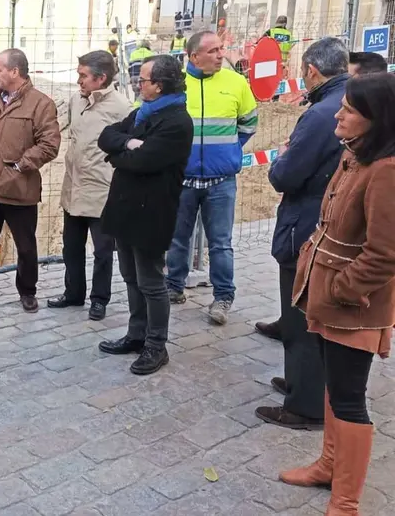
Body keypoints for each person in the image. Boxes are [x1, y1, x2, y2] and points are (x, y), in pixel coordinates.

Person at [277, 72, 395, 516]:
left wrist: (344, 289)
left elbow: (385, 253)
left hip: (354, 305)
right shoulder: (357, 157)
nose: (339, 114)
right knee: (333, 387)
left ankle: (346, 501)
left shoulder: (386, 171)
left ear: (376, 118)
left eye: (350, 109)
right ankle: (328, 465)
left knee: (349, 397)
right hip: (327, 296)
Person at [254, 38, 349, 431]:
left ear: (311, 71)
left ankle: (304, 405)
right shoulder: (353, 100)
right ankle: (304, 387)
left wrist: (279, 158)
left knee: (301, 319)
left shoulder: (321, 113)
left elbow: (286, 176)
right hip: (333, 226)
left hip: (307, 228)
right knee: (316, 317)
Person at [96, 55, 194, 375]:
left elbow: (144, 161)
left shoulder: (177, 121)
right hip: (126, 210)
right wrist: (128, 144)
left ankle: (156, 344)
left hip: (152, 213)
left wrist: (119, 155)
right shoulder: (142, 113)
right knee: (130, 276)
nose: (139, 84)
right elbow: (106, 136)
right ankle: (136, 334)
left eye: (144, 80)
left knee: (151, 282)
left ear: (160, 85)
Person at [166, 31, 258, 325]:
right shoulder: (175, 85)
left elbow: (249, 124)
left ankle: (222, 297)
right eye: (213, 51)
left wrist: (226, 154)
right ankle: (174, 287)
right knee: (177, 238)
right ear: (194, 57)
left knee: (220, 243)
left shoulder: (236, 82)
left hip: (221, 181)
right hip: (182, 179)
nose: (221, 55)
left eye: (222, 49)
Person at [0, 48, 61, 315]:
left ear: (15, 72)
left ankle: (28, 291)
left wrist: (20, 165)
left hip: (20, 190)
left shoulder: (41, 104)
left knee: (26, 247)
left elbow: (49, 144)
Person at [51, 51, 130, 321]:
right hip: (73, 188)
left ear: (101, 78)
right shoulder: (76, 100)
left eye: (83, 75)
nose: (78, 80)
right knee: (71, 246)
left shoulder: (122, 107)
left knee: (103, 251)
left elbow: (130, 146)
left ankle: (99, 299)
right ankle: (73, 293)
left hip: (102, 192)